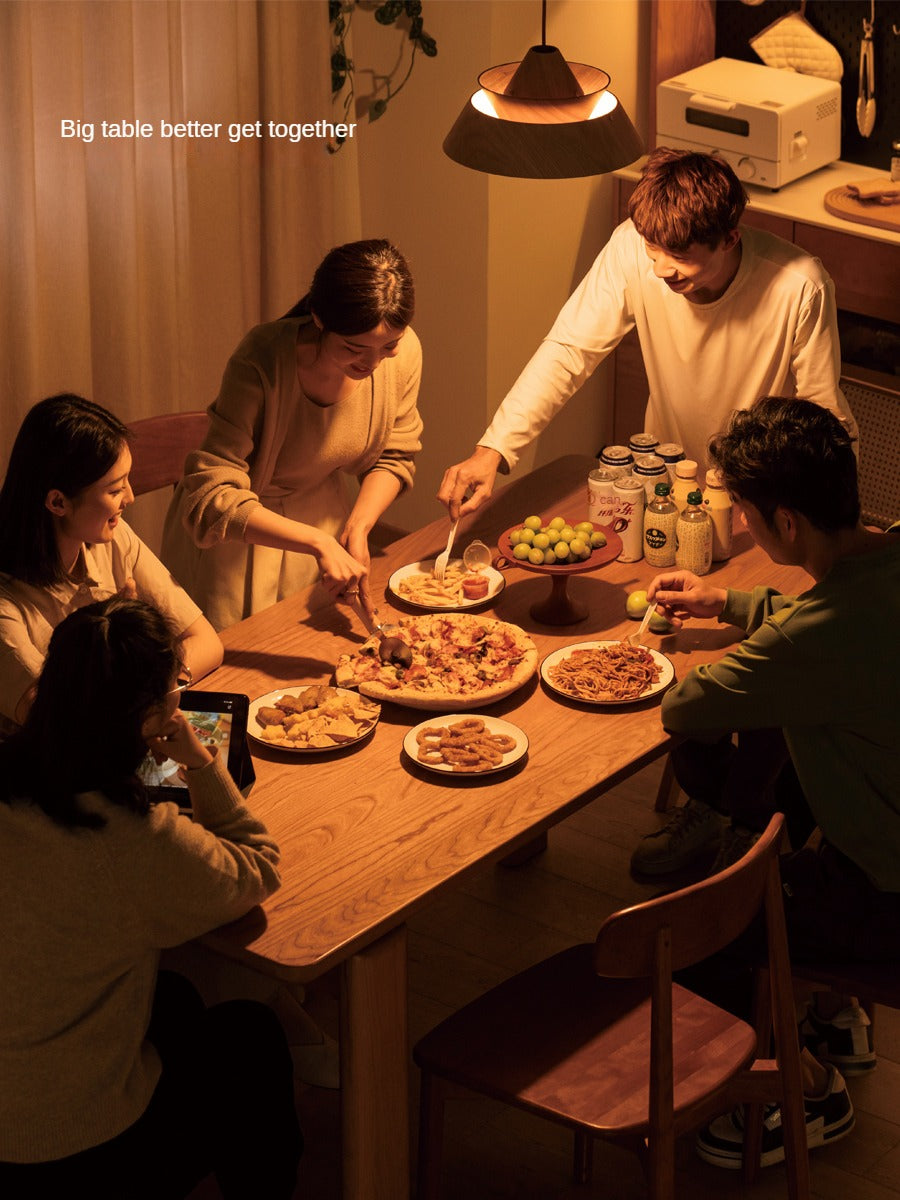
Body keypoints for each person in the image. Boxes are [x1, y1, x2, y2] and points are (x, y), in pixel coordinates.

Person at [633, 397, 900, 1168]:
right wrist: (735, 602)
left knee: (701, 933)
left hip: (888, 893)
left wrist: (743, 632)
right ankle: (835, 1020)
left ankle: (799, 1096)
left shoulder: (810, 642)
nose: (741, 525)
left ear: (784, 524)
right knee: (787, 794)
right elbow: (839, 623)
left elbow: (685, 706)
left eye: (743, 513)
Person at [0, 596, 301, 1198]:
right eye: (176, 687)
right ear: (149, 719)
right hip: (69, 1154)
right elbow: (257, 868)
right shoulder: (130, 840)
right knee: (250, 1035)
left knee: (174, 997)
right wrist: (201, 763)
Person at [438, 147, 856, 520]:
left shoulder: (799, 285)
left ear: (728, 239)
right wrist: (492, 449)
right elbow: (568, 350)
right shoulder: (631, 246)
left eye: (678, 255)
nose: (659, 269)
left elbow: (822, 417)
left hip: (762, 494)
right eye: (653, 251)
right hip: (664, 482)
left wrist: (801, 509)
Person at [162, 237, 424, 630]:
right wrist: (316, 542)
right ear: (319, 319)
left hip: (323, 527)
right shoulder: (263, 358)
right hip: (241, 537)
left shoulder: (402, 354)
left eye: (388, 346)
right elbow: (211, 496)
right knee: (241, 674)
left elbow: (395, 454)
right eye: (354, 347)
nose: (372, 362)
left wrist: (359, 526)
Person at [0, 394, 223, 736]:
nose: (130, 499)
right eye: (116, 489)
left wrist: (151, 680)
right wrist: (143, 665)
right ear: (57, 501)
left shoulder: (113, 540)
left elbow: (206, 642)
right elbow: (59, 730)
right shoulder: (8, 600)